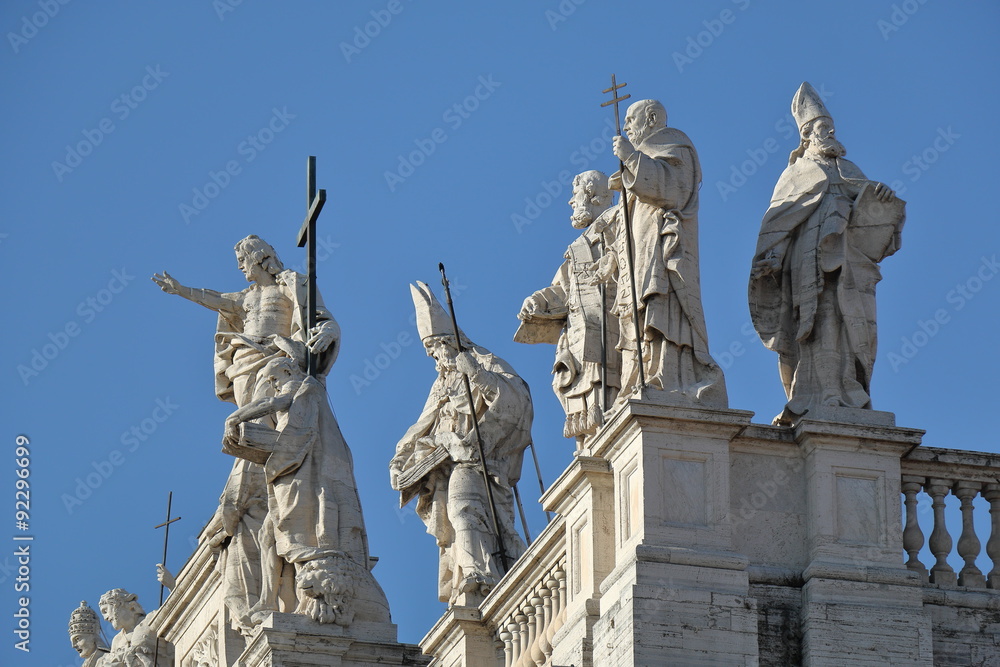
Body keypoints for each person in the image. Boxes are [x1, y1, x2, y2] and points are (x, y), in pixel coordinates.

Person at [151, 234, 339, 633]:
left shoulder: (292, 283)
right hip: (246, 356)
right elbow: (217, 299)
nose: (241, 266)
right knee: (253, 416)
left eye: (244, 259)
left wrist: (327, 332)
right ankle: (258, 449)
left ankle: (271, 453)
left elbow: (320, 317)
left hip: (278, 353)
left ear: (262, 259)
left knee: (275, 409)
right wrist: (181, 289)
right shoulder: (246, 298)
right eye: (239, 261)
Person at [749, 82, 904, 425]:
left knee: (850, 324)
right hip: (809, 262)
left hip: (847, 264)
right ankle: (820, 393)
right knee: (816, 324)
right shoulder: (795, 174)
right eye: (823, 128)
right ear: (807, 135)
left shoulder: (849, 171)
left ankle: (849, 391)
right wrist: (772, 258)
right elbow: (779, 222)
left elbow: (874, 217)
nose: (830, 133)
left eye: (831, 128)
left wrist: (880, 196)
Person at [224, 356, 391, 626]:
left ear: (288, 370)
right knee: (269, 532)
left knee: (277, 531)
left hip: (302, 477)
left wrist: (237, 417)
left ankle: (274, 599)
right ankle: (267, 600)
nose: (274, 385)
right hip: (292, 471)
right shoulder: (303, 393)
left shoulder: (302, 388)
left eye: (274, 379)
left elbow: (272, 403)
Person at [391, 282, 531, 605]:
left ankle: (480, 577)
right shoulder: (440, 386)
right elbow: (419, 427)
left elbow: (518, 402)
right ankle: (475, 575)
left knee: (465, 507)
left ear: (449, 342)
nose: (433, 356)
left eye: (435, 347)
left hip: (486, 464)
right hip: (460, 464)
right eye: (429, 351)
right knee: (460, 508)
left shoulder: (483, 363)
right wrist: (400, 460)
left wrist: (479, 376)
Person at [600, 99, 727, 407]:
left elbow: (674, 190)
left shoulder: (674, 146)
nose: (627, 126)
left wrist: (632, 158)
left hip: (663, 252)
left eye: (633, 119)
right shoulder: (645, 157)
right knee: (639, 310)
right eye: (626, 121)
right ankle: (640, 377)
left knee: (661, 305)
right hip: (639, 253)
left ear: (653, 118)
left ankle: (668, 377)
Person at [516, 170, 620, 447]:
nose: (570, 202)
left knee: (604, 379)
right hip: (578, 329)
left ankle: (609, 433)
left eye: (574, 195)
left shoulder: (619, 221)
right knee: (570, 381)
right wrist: (539, 301)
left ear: (595, 196)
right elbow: (563, 288)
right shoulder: (578, 247)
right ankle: (590, 442)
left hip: (608, 321)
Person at [98, 589, 173, 667]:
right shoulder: (117, 641)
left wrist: (172, 586)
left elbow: (174, 612)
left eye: (105, 611)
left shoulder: (150, 621)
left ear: (120, 604)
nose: (105, 618)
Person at [68, 600, 109, 667]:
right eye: (72, 642)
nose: (73, 645)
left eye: (77, 639)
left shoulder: (110, 659)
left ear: (92, 637)